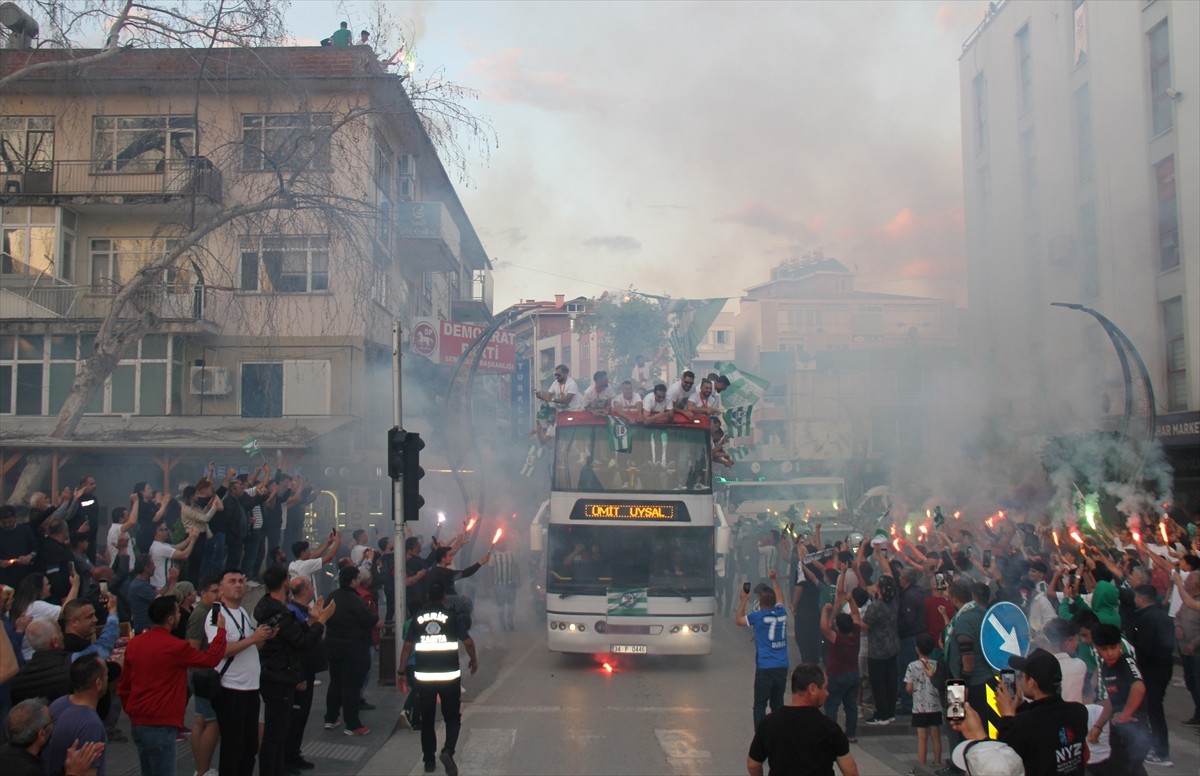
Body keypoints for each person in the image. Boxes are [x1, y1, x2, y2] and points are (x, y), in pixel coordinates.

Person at [118, 595, 230, 776]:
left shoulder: (135, 644)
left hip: (138, 722)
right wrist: (221, 632)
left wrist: (131, 710)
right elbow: (210, 659)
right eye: (178, 612)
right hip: (161, 723)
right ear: (170, 619)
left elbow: (124, 685)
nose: (180, 615)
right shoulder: (176, 647)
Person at [254, 564, 335, 776]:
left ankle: (280, 768)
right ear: (285, 584)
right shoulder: (281, 613)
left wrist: (312, 619)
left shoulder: (268, 607)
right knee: (275, 734)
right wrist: (321, 621)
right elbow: (302, 641)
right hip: (279, 676)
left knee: (278, 732)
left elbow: (295, 637)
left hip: (278, 673)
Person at [397, 581, 478, 776]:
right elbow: (467, 641)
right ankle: (448, 750)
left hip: (424, 678)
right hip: (449, 677)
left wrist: (400, 673)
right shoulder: (452, 617)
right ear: (444, 597)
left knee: (427, 719)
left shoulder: (417, 618)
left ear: (427, 597)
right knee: (452, 717)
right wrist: (473, 660)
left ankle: (429, 760)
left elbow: (407, 647)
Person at [204, 568, 275, 776]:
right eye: (232, 581)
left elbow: (249, 647)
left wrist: (263, 638)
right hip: (231, 689)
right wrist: (253, 639)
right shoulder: (216, 612)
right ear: (221, 588)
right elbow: (219, 651)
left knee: (249, 747)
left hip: (251, 688)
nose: (238, 585)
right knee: (233, 747)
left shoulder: (242, 611)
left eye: (241, 581)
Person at [747, 663, 859, 776]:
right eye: (824, 688)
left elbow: (753, 765)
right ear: (813, 689)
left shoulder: (769, 723)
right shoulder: (829, 728)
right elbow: (851, 771)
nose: (827, 693)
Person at [995, 648, 1088, 775]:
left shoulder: (1021, 724)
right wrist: (1021, 704)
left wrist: (1007, 715)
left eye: (1022, 676)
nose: (1021, 681)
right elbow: (1045, 718)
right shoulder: (1079, 712)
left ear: (1031, 682)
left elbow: (1004, 763)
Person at [324, 565, 378, 737]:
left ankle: (331, 718)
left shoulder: (332, 596)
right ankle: (352, 724)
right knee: (351, 687)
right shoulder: (356, 600)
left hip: (332, 647)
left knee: (335, 683)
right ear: (353, 581)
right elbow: (369, 619)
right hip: (353, 650)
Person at [1093, 623, 1150, 775]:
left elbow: (1139, 687)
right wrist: (1097, 727)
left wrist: (1125, 714)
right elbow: (1111, 700)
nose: (1110, 653)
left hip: (1135, 733)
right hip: (1118, 734)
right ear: (1096, 648)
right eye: (1104, 649)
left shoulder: (1126, 662)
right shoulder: (1106, 667)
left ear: (1120, 645)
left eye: (1113, 648)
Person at [285, 575, 328, 772]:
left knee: (302, 716)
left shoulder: (304, 611)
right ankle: (287, 757)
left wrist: (315, 616)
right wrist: (299, 674)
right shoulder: (293, 613)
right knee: (294, 717)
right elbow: (296, 646)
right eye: (310, 586)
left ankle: (294, 752)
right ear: (303, 591)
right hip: (299, 674)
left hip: (308, 671)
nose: (312, 589)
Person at [736, 568, 788, 729]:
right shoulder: (782, 613)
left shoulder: (758, 616)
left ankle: (761, 735)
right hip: (782, 666)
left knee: (759, 705)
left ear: (760, 602)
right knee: (778, 704)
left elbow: (739, 620)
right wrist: (774, 579)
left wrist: (744, 600)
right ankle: (779, 732)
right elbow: (781, 598)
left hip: (765, 667)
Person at [1128, 584, 1174, 766]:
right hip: (1164, 667)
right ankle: (1154, 747)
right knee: (1153, 708)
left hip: (1152, 669)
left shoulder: (1146, 618)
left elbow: (1144, 648)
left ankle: (1162, 753)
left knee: (1154, 711)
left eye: (1136, 597)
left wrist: (1137, 667)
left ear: (1141, 598)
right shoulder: (1162, 615)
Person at [0, 698, 105, 776]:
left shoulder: (6, 752)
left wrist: (66, 769)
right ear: (41, 734)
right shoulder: (28, 771)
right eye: (51, 720)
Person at [44, 655, 108, 776]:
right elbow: (88, 772)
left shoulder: (57, 704)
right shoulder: (90, 725)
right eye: (106, 675)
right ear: (98, 683)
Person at [185, 576, 221, 776]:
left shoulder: (213, 610)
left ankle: (202, 768)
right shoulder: (200, 614)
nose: (218, 595)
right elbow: (193, 648)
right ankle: (202, 769)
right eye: (214, 591)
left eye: (219, 590)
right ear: (203, 594)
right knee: (210, 721)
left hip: (208, 672)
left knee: (202, 719)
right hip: (202, 673)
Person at [819, 579, 862, 743]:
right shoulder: (855, 634)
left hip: (837, 675)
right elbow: (856, 615)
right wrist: (850, 601)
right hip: (853, 673)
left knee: (832, 705)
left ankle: (831, 734)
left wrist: (826, 611)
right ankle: (850, 734)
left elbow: (824, 628)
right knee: (851, 705)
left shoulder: (837, 639)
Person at [861, 574, 900, 725]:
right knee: (891, 681)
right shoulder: (896, 601)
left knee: (878, 683)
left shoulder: (876, 606)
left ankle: (881, 714)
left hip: (877, 649)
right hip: (893, 646)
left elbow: (864, 626)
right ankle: (890, 712)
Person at [905, 634, 943, 769]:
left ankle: (921, 764)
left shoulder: (912, 666)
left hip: (920, 707)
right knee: (936, 735)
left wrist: (911, 689)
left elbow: (909, 687)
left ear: (917, 649)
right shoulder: (936, 664)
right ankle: (937, 761)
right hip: (935, 706)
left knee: (922, 738)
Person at [1043, 617, 1088, 704]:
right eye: (1076, 640)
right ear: (1067, 643)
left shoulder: (1039, 666)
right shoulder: (1080, 665)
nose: (1078, 643)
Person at [489, 537, 519, 632]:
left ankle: (510, 622)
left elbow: (516, 567)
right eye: (500, 543)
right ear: (497, 545)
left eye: (503, 543)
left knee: (511, 604)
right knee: (501, 605)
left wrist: (519, 579)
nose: (502, 544)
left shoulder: (512, 554)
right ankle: (502, 623)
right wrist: (490, 581)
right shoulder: (494, 556)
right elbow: (490, 570)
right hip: (499, 585)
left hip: (511, 583)